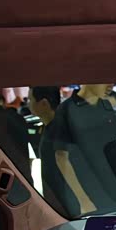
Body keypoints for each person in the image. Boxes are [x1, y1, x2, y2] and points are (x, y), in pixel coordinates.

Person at [52, 84, 116, 214]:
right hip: (92, 198)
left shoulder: (106, 106)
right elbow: (61, 158)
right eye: (105, 80)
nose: (111, 85)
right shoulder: (66, 109)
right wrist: (83, 200)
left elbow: (114, 154)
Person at [28, 86, 78, 216]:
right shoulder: (52, 127)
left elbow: (66, 163)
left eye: (30, 99)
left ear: (44, 103)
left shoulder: (59, 128)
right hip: (58, 202)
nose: (28, 104)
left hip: (67, 205)